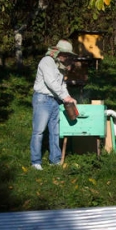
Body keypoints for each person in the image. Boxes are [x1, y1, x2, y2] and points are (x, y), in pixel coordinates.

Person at [30, 39, 78, 169]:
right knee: (39, 131)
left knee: (55, 131)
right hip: (42, 99)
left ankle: (55, 160)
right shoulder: (47, 61)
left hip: (55, 100)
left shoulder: (60, 67)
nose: (67, 57)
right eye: (66, 54)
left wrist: (67, 97)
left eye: (69, 55)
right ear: (58, 52)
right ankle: (35, 162)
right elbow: (51, 82)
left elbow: (62, 85)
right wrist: (65, 97)